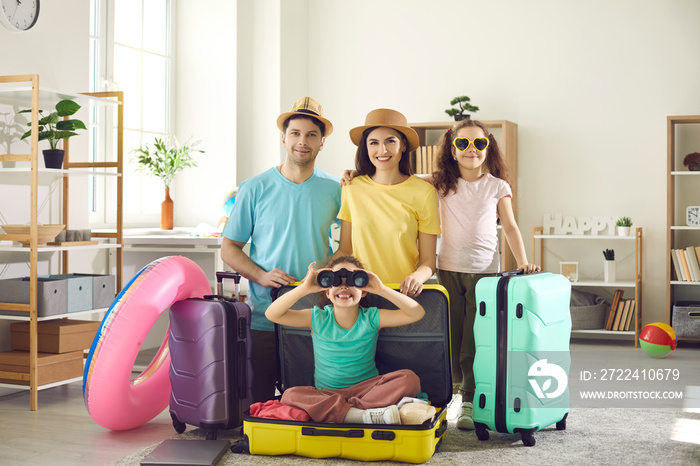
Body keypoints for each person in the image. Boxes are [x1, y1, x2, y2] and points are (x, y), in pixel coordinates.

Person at [221, 97, 341, 402]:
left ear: (322, 142)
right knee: (259, 399)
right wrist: (260, 276)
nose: (303, 141)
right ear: (283, 138)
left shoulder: (336, 189)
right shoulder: (254, 188)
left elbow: (350, 244)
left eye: (312, 135)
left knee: (309, 398)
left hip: (316, 313)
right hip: (265, 312)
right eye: (296, 133)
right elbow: (229, 248)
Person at [432, 118, 540, 430]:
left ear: (488, 146)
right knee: (450, 337)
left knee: (474, 339)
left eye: (479, 143)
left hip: (483, 274)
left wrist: (523, 261)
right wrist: (354, 174)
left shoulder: (497, 185)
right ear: (452, 149)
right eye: (463, 143)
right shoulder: (440, 182)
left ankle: (468, 399)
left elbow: (509, 226)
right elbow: (398, 182)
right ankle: (446, 397)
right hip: (448, 270)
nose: (471, 149)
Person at [266, 256, 429, 424]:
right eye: (335, 280)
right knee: (289, 394)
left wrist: (381, 289)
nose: (344, 285)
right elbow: (272, 314)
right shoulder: (317, 318)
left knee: (410, 379)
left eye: (354, 280)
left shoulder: (371, 317)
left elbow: (417, 313)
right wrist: (304, 289)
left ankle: (348, 413)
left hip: (368, 390)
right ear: (327, 291)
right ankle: (364, 415)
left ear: (364, 290)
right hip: (327, 393)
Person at [334, 108, 441, 296]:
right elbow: (344, 249)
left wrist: (417, 277)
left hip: (401, 294)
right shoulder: (352, 188)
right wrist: (319, 275)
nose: (382, 150)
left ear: (404, 145)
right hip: (358, 293)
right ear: (365, 148)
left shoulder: (424, 193)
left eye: (390, 141)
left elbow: (428, 261)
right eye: (373, 142)